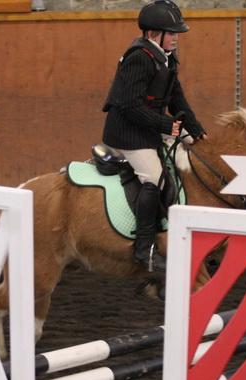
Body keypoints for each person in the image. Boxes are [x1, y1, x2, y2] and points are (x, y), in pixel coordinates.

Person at [102, 0, 207, 273]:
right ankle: (143, 247)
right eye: (171, 33)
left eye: (176, 33)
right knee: (155, 178)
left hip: (148, 126)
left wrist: (197, 131)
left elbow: (177, 98)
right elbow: (129, 106)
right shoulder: (139, 58)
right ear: (153, 34)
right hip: (128, 133)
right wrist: (166, 124)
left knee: (189, 155)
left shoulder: (166, 57)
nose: (176, 38)